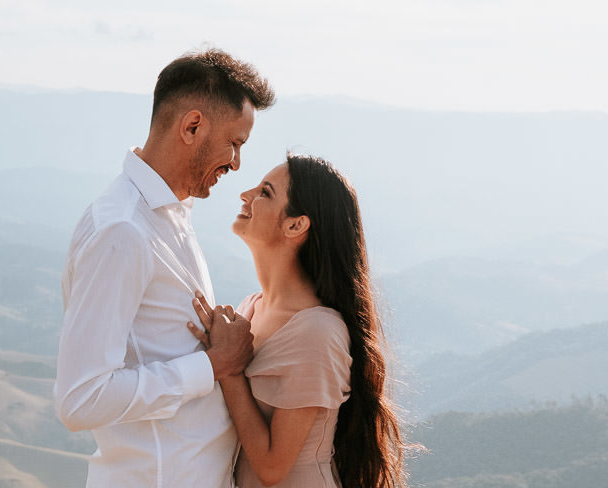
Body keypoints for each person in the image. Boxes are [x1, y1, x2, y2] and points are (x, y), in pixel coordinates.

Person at [54, 48, 275, 488]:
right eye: (235, 143)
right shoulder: (123, 231)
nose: (236, 163)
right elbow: (80, 400)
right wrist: (212, 366)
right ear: (192, 126)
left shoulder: (167, 214)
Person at [187, 154, 406, 488]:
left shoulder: (317, 332)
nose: (245, 194)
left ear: (295, 225)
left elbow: (274, 467)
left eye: (265, 192)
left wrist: (228, 369)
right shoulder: (252, 307)